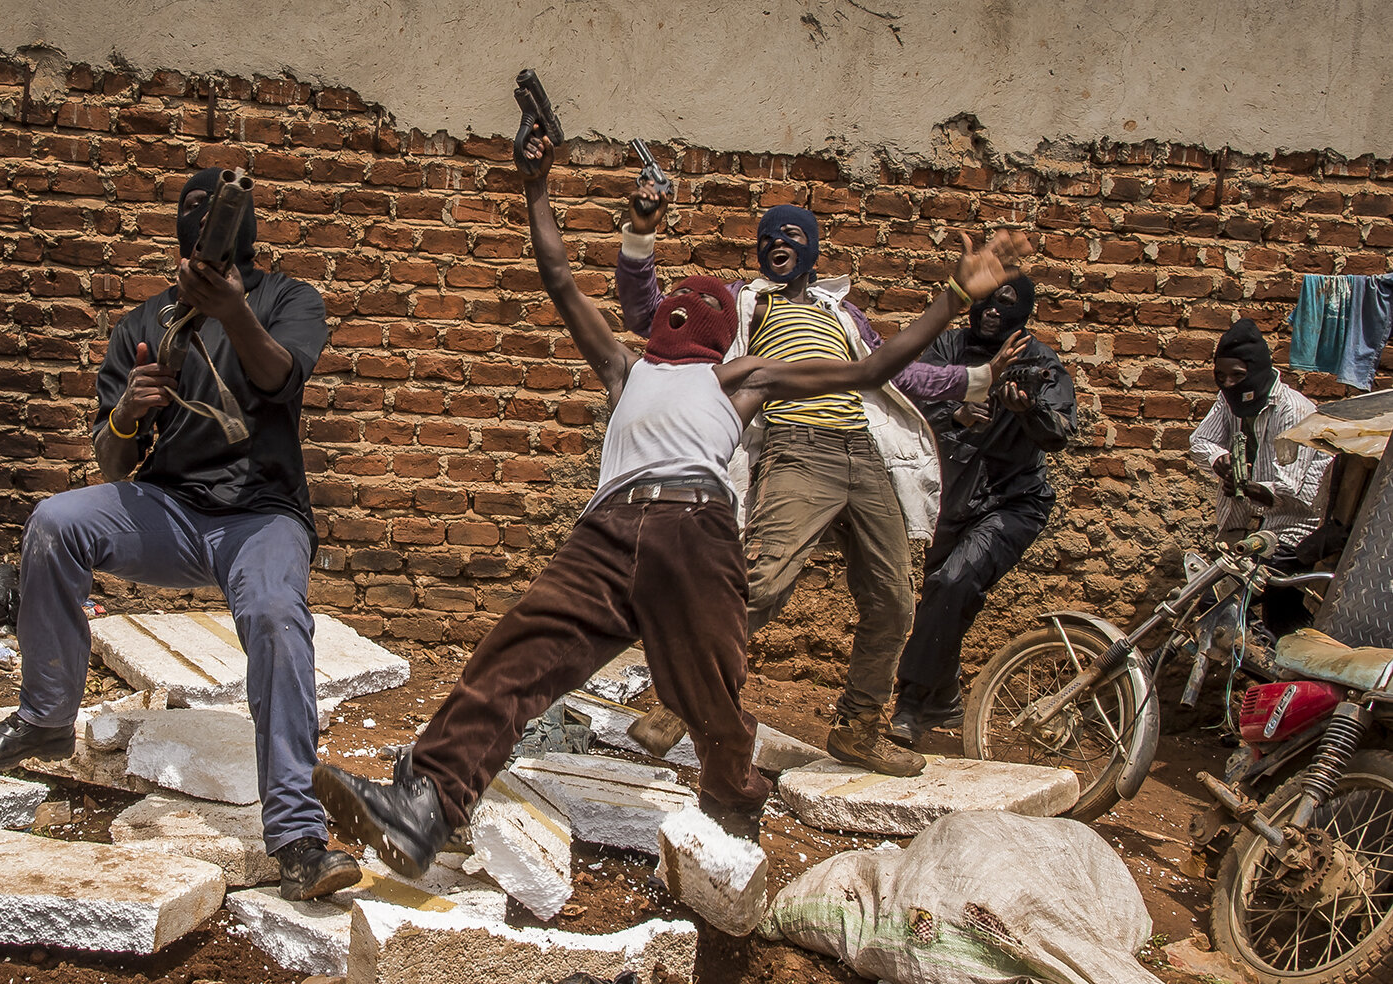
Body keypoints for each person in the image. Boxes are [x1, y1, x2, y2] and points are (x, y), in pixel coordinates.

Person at [311, 132, 1034, 879]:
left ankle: (731, 816)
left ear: (724, 331)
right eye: (677, 302)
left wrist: (954, 294)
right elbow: (559, 278)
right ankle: (427, 803)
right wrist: (535, 184)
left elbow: (875, 366)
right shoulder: (623, 366)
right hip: (605, 534)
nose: (688, 306)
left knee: (712, 701)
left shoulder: (740, 379)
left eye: (705, 302)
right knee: (513, 660)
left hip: (695, 532)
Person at [0, 169, 360, 902]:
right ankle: (45, 720)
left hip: (263, 517)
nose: (209, 224)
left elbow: (279, 379)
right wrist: (130, 412)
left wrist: (232, 312)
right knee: (55, 523)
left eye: (224, 214)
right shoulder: (143, 325)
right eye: (195, 214)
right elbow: (113, 464)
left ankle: (296, 835)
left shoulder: (286, 300)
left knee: (273, 615)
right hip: (169, 512)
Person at [616, 187, 1024, 775]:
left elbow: (896, 373)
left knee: (893, 601)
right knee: (761, 582)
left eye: (790, 236)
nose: (775, 244)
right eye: (766, 238)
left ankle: (859, 727)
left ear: (811, 249)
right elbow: (650, 315)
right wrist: (639, 238)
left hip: (863, 455)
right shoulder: (743, 303)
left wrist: (978, 378)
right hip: (797, 452)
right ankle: (682, 702)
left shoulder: (842, 314)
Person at [890, 275, 1076, 745]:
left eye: (1006, 305)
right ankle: (947, 697)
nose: (992, 312)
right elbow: (903, 402)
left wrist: (1026, 409)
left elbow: (1058, 432)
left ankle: (910, 705)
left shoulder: (1036, 361)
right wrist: (955, 412)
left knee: (952, 582)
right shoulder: (949, 347)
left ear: (1023, 313)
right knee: (943, 595)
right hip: (951, 501)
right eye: (985, 303)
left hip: (1012, 502)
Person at [1188, 318, 1331, 634]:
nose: (1227, 384)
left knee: (1223, 604)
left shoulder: (1293, 410)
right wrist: (1218, 459)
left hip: (1294, 528)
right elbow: (1200, 441)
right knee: (1266, 616)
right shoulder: (1229, 400)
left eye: (1237, 376)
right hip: (1251, 529)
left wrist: (1244, 485)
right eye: (1220, 377)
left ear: (1256, 371)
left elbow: (1289, 489)